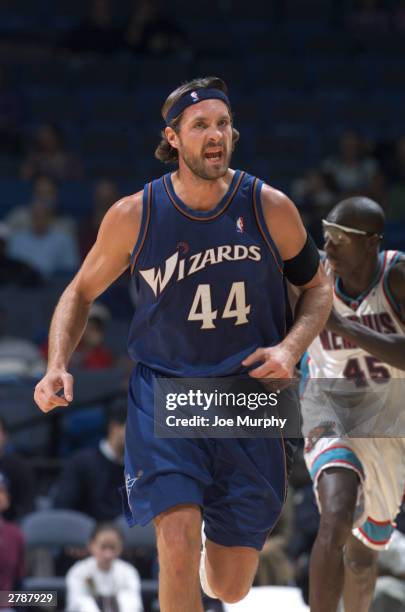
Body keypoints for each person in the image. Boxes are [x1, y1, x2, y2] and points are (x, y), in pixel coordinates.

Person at [34, 76, 332, 610]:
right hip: (166, 392)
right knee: (175, 541)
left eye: (223, 124)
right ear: (172, 138)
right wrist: (57, 362)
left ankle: (206, 561)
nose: (215, 134)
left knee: (230, 584)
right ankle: (185, 544)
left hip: (249, 399)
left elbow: (318, 287)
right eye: (200, 126)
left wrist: (290, 349)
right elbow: (78, 292)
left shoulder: (269, 207)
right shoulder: (136, 215)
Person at [301, 197, 405, 612]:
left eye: (341, 240)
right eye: (326, 237)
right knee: (337, 512)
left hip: (390, 414)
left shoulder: (396, 277)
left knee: (363, 558)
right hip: (330, 404)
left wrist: (343, 326)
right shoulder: (311, 277)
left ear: (371, 244)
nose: (329, 247)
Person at [52, 404, 126, 521]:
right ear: (115, 427)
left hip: (124, 537)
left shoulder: (139, 467)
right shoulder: (81, 462)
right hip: (84, 535)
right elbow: (63, 507)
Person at [65, 523, 143, 612]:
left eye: (112, 547)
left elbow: (134, 605)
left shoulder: (129, 572)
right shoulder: (78, 571)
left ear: (121, 547)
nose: (108, 555)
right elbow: (75, 604)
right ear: (91, 545)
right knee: (85, 602)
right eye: (103, 547)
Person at [0, 472, 26, 591]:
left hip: (6, 604)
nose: (4, 496)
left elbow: (19, 582)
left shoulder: (14, 533)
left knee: (47, 598)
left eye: (4, 491)